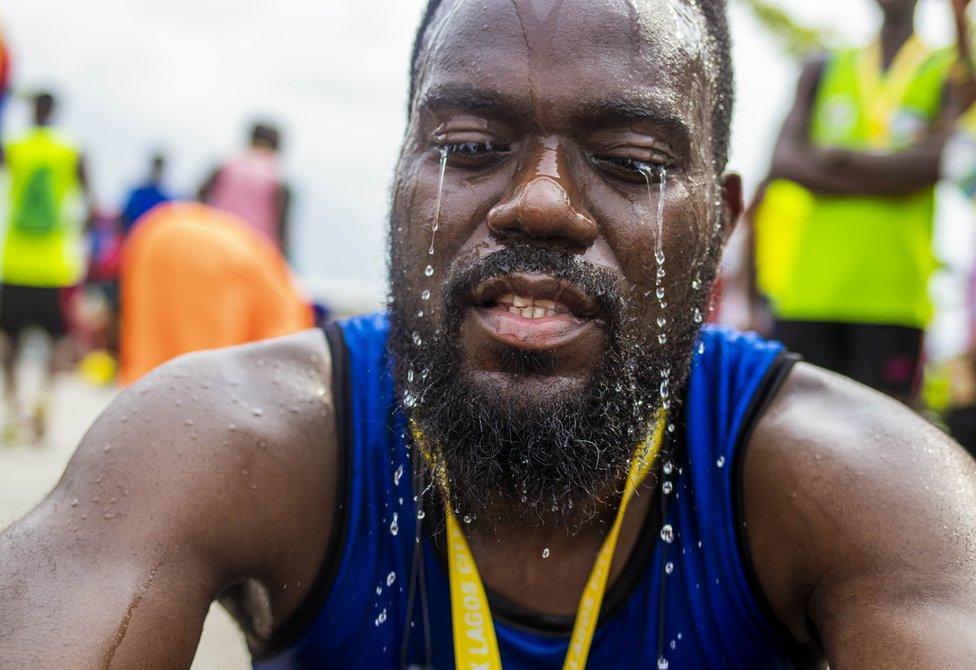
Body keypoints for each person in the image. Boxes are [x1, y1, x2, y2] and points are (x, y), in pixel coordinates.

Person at [2, 2, 976, 668]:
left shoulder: (864, 486)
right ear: (398, 186)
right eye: (470, 148)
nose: (541, 202)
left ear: (719, 226)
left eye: (630, 162)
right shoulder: (236, 442)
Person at [752, 0, 962, 404]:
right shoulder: (825, 65)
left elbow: (937, 162)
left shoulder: (947, 69)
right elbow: (784, 161)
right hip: (808, 291)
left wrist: (838, 158)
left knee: (884, 436)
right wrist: (893, 173)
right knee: (800, 430)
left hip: (893, 296)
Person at [118, 202, 314, 385]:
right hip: (213, 251)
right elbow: (277, 366)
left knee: (150, 347)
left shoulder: (282, 281)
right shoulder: (294, 314)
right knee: (206, 375)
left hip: (156, 231)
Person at [0, 92, 91, 443]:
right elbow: (88, 202)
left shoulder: (14, 146)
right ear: (55, 110)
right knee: (57, 339)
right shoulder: (71, 150)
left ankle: (13, 409)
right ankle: (44, 400)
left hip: (17, 260)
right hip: (54, 262)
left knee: (8, 340)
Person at [199, 122, 292, 256]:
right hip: (254, 253)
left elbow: (199, 201)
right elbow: (282, 230)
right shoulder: (278, 181)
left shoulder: (225, 167)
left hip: (215, 242)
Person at [119, 152, 174, 234]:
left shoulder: (165, 200)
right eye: (156, 168)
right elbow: (124, 220)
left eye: (159, 169)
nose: (157, 172)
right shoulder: (137, 195)